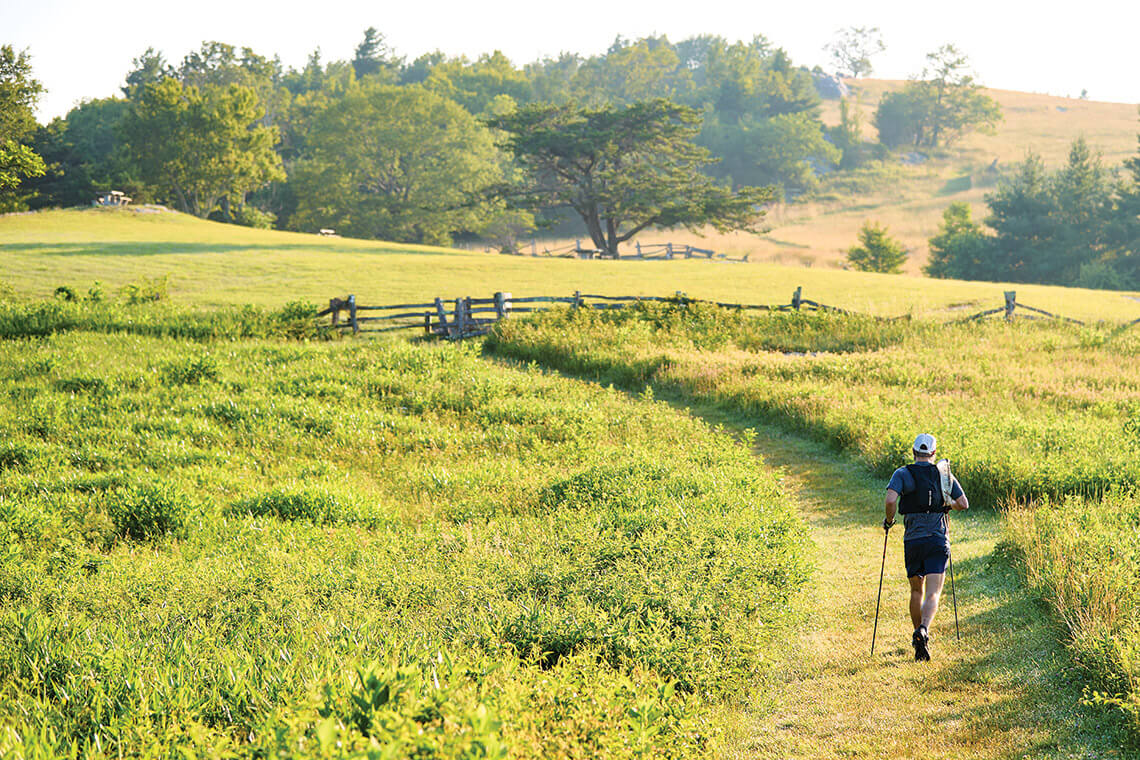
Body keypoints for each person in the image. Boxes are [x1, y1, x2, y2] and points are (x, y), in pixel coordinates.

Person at [882, 433, 968, 662]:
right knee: (933, 592)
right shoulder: (944, 474)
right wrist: (946, 505)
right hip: (937, 539)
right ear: (933, 453)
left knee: (916, 591)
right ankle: (924, 631)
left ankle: (917, 638)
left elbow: (891, 501)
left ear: (913, 452)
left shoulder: (902, 473)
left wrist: (889, 522)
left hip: (913, 540)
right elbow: (963, 504)